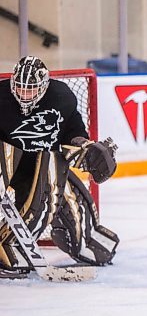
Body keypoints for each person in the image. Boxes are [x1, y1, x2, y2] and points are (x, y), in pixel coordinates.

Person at [0, 56, 119, 278]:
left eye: (31, 89)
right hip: (11, 166)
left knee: (89, 245)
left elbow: (74, 132)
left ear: (44, 86)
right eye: (20, 88)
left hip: (49, 165)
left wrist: (85, 148)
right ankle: (8, 245)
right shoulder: (1, 98)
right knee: (36, 207)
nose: (25, 94)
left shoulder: (61, 97)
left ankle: (86, 235)